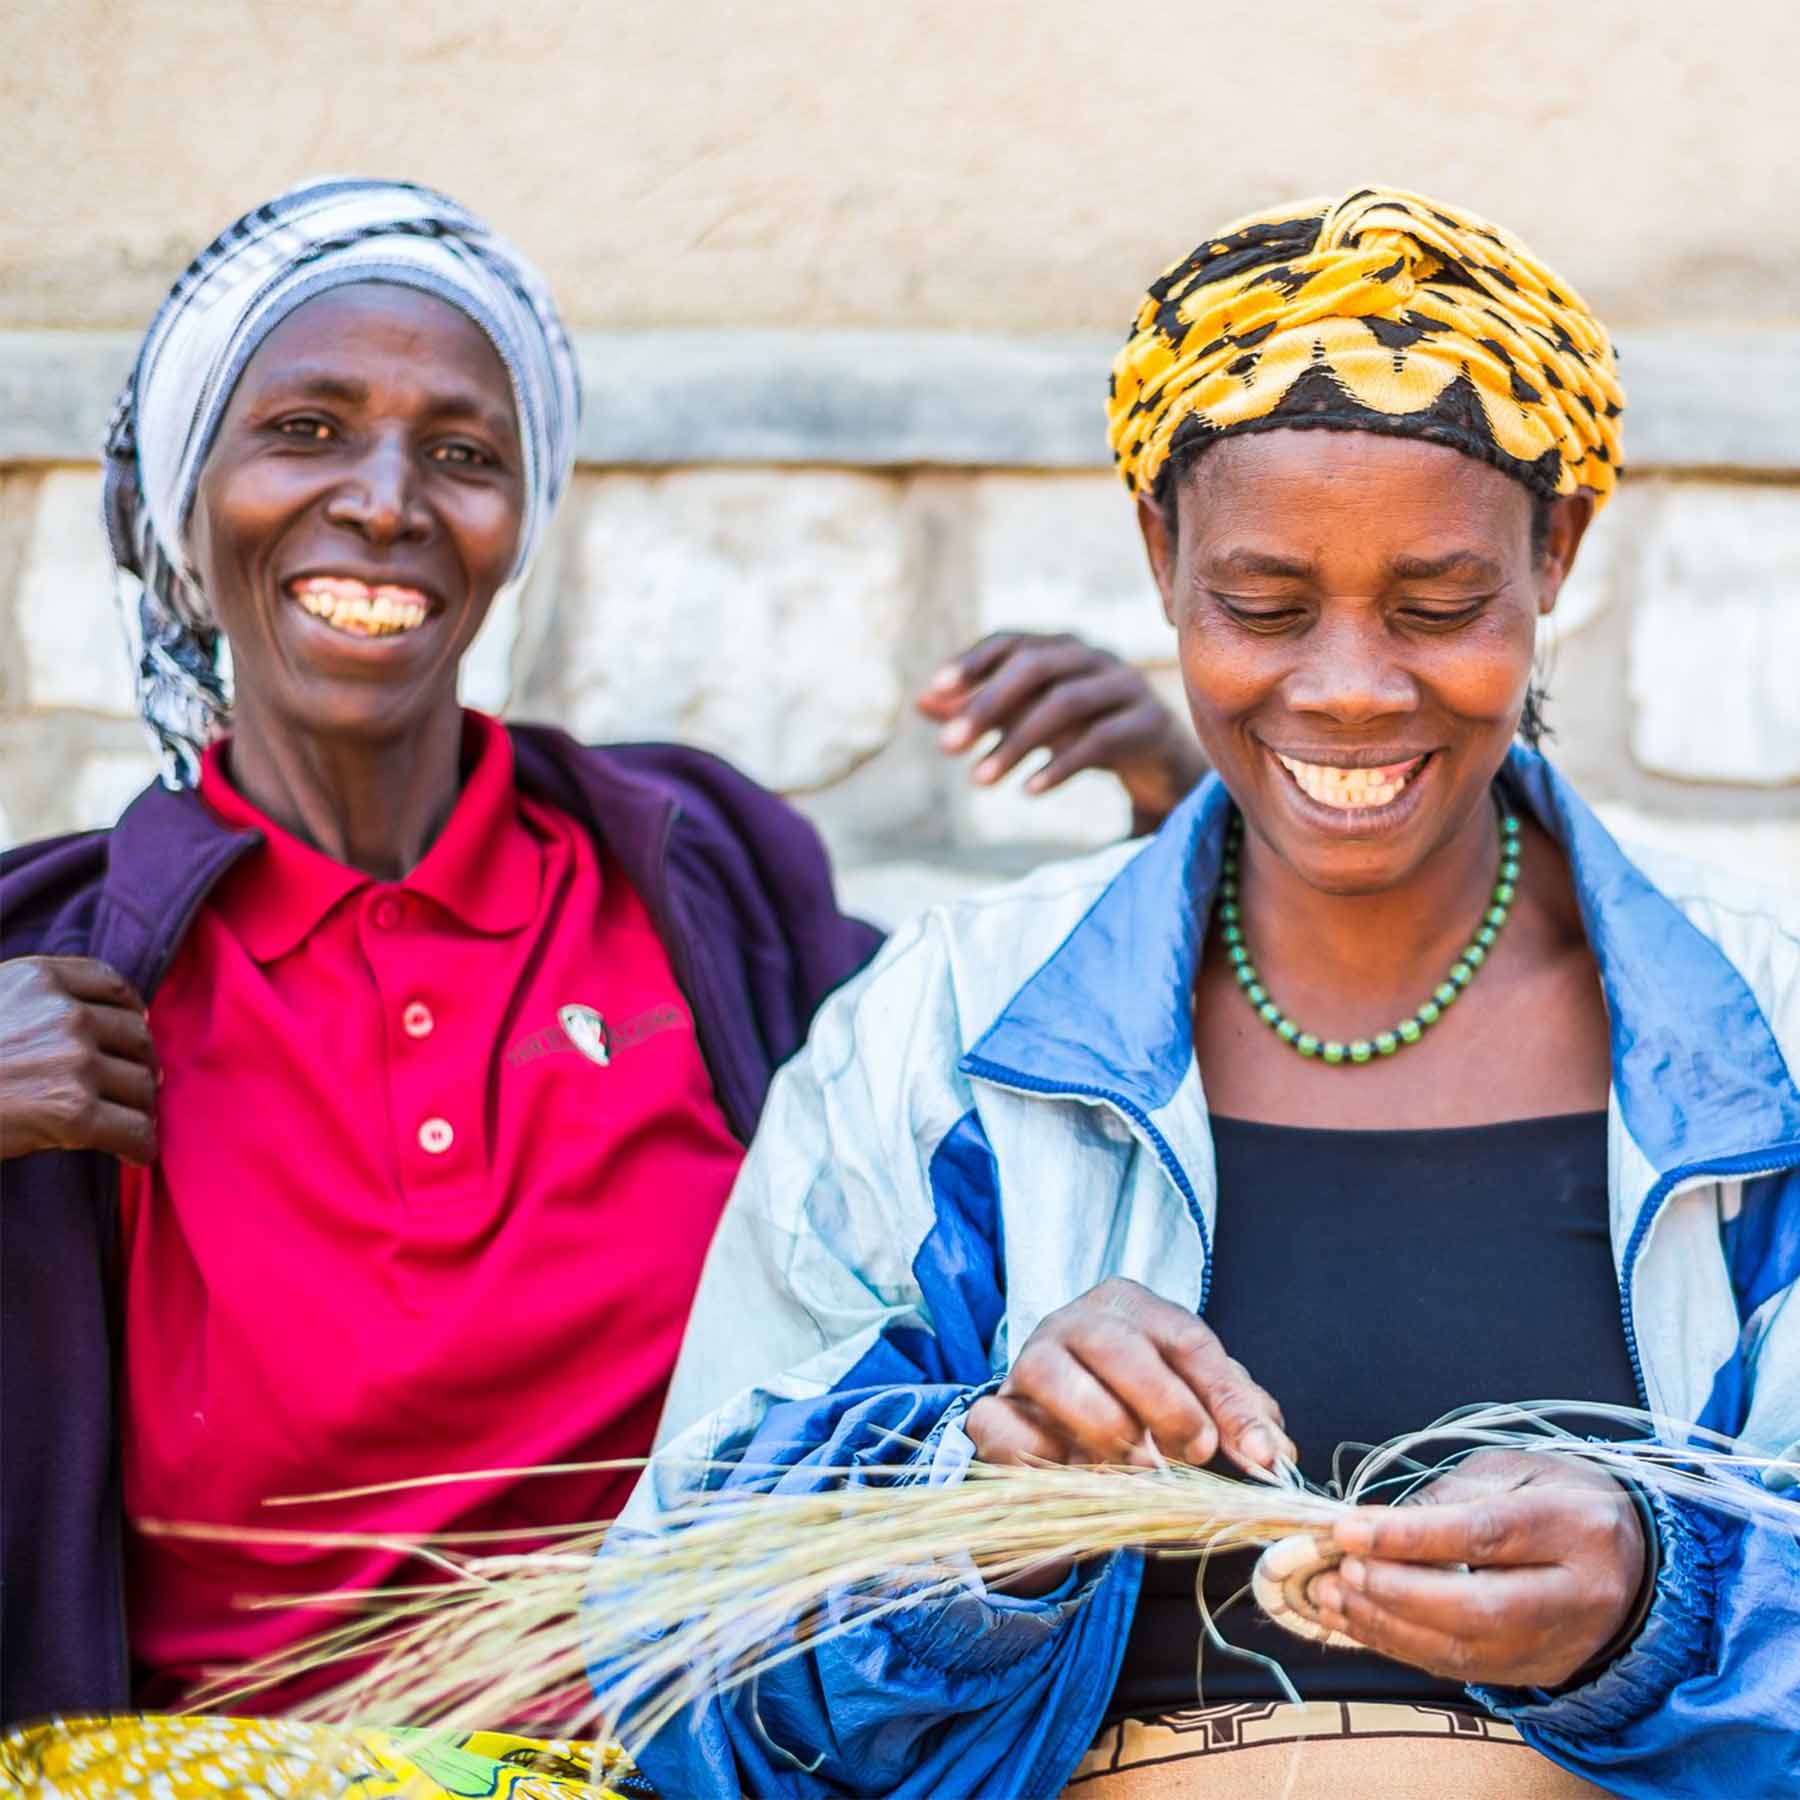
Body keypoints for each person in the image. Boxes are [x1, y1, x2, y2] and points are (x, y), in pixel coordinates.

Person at [632, 187, 1800, 1798]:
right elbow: (676, 1678)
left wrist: (1661, 1606)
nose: (1342, 687)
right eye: (1260, 605)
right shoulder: (951, 1037)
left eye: (1440, 607)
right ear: (1158, 552)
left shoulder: (1770, 1037)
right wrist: (984, 1519)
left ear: (1561, 553)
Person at [0, 177, 1201, 1742]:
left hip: (702, 1756)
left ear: (521, 519)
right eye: (303, 430)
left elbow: (1007, 1109)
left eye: (463, 453)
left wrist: (1183, 813)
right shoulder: (63, 974)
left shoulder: (695, 889)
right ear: (182, 489)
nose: (384, 500)